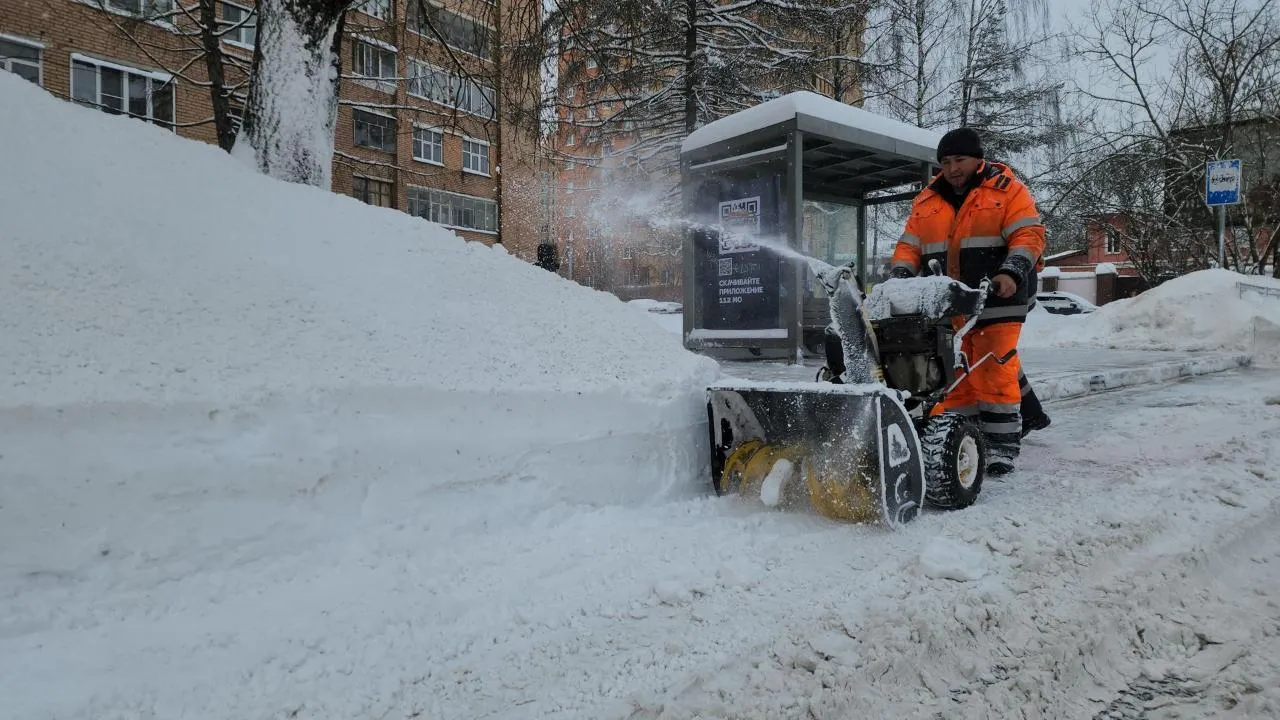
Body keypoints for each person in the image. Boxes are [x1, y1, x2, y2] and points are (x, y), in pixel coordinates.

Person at [888, 128, 1046, 475]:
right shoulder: (926, 201)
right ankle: (965, 436)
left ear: (978, 159)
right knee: (953, 371)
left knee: (992, 367)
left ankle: (1001, 446)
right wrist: (899, 276)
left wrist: (1012, 272)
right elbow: (909, 245)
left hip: (1001, 294)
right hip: (949, 300)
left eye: (959, 159)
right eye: (945, 162)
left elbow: (1028, 235)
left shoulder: (1007, 191)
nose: (953, 167)